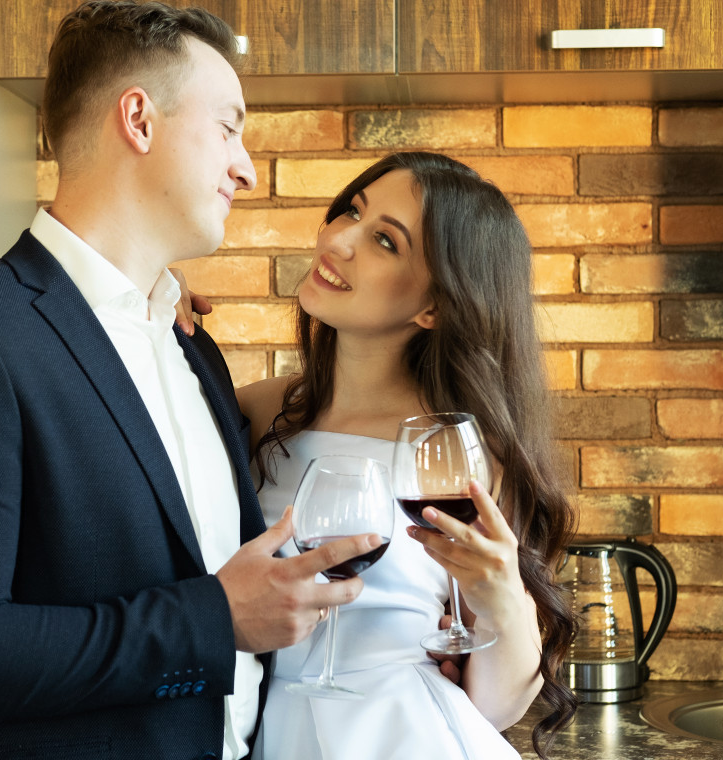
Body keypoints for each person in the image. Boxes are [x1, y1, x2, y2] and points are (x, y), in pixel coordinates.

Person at [0, 3, 378, 759]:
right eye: (229, 128)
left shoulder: (195, 347)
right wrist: (212, 619)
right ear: (138, 119)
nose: (246, 166)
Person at [232, 152, 578, 760]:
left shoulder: (462, 453)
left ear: (435, 308)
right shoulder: (260, 411)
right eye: (351, 213)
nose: (338, 241)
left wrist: (501, 592)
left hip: (403, 734)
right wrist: (160, 299)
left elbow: (495, 708)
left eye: (384, 241)